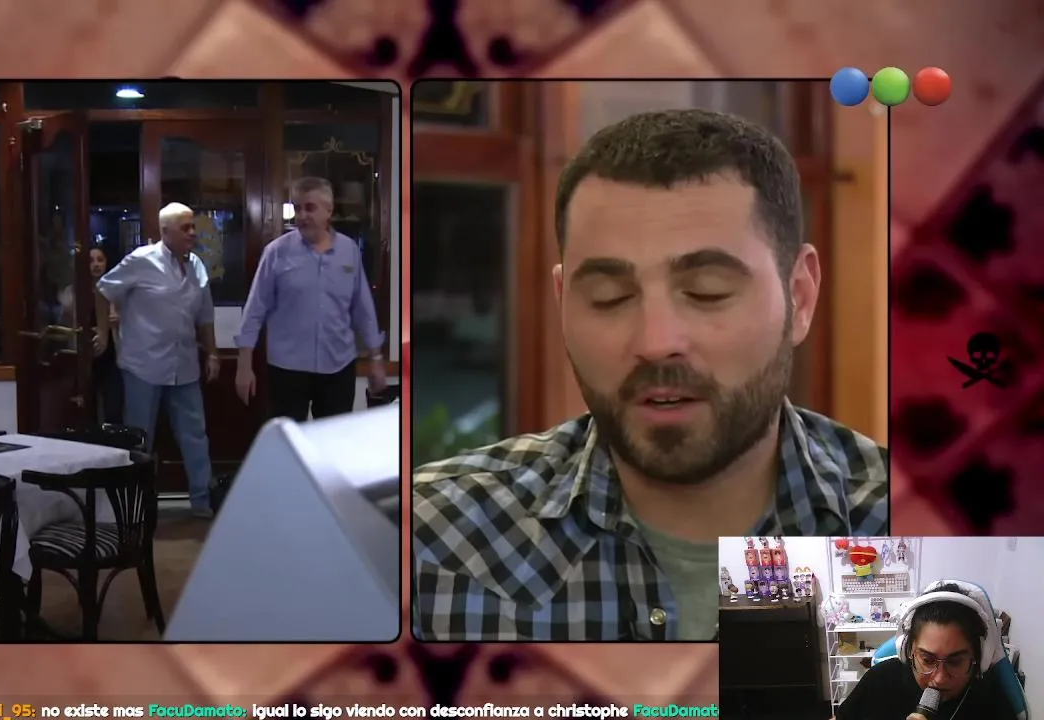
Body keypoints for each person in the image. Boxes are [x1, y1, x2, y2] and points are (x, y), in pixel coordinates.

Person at [412, 109, 889, 641]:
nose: (656, 341)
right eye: (609, 297)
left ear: (799, 297)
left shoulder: (910, 528)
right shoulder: (428, 543)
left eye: (706, 292)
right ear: (562, 302)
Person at [96, 202, 219, 517]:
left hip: (185, 364)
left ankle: (202, 500)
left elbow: (205, 315)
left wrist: (213, 352)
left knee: (195, 434)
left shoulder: (197, 266)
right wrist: (103, 331)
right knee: (140, 438)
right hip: (143, 364)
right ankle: (135, 506)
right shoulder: (141, 261)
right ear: (165, 231)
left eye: (193, 226)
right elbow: (104, 289)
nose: (192, 233)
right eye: (185, 228)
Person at [235, 177, 387, 420]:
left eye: (310, 208)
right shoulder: (276, 252)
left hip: (338, 367)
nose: (302, 216)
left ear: (329, 211)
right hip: (287, 370)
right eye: (297, 208)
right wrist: (244, 365)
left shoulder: (349, 251)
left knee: (332, 439)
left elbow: (363, 309)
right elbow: (255, 309)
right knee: (288, 439)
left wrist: (376, 357)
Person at [835, 584, 1017, 720]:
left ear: (978, 657)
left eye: (955, 662)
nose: (940, 679)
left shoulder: (991, 700)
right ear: (908, 650)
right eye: (928, 660)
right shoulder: (880, 680)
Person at [87, 246, 123, 424]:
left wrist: (119, 320)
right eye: (91, 261)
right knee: (87, 408)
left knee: (113, 409)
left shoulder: (117, 291)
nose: (96, 265)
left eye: (100, 260)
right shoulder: (75, 292)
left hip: (112, 355)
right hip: (86, 357)